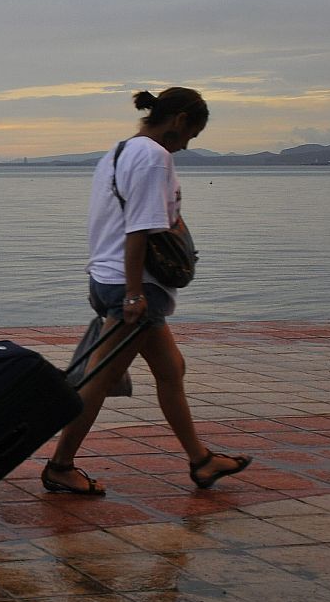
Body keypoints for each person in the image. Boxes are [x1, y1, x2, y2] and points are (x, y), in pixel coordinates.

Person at [41, 87, 251, 497]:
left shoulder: (120, 151)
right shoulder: (155, 157)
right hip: (133, 288)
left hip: (109, 277)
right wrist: (134, 294)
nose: (188, 144)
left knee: (171, 369)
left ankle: (201, 461)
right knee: (98, 378)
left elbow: (110, 222)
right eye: (192, 134)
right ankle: (59, 466)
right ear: (180, 121)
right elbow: (139, 228)